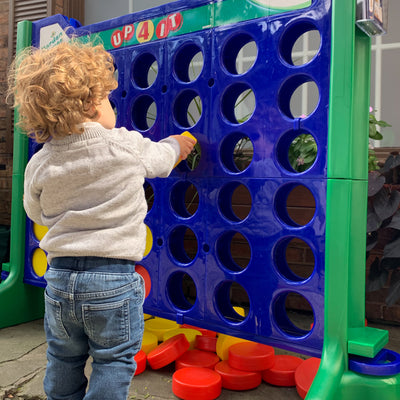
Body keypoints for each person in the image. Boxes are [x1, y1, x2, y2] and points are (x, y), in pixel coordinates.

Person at [7, 40, 195, 400]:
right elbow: (159, 160)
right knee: (112, 361)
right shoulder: (123, 144)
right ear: (93, 104)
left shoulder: (41, 163)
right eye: (108, 100)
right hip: (112, 278)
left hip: (59, 279)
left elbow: (35, 211)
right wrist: (177, 145)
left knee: (63, 356)